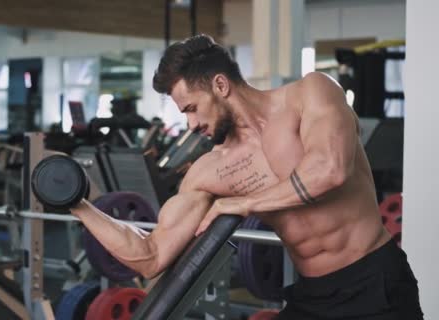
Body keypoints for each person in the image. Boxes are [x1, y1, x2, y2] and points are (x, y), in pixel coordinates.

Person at [70, 35, 422, 319]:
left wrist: (242, 203)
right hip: (312, 294)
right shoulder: (210, 170)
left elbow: (330, 171)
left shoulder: (310, 94)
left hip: (375, 281)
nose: (191, 124)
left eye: (192, 108)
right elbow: (151, 256)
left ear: (220, 85)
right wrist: (78, 204)